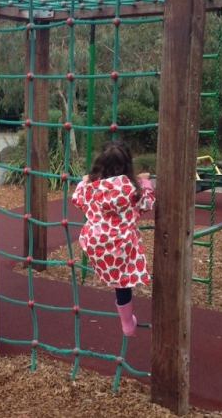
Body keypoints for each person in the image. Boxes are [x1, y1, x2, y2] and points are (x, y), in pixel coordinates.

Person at [71, 140, 155, 336]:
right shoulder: (133, 188)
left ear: (101, 163)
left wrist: (84, 181)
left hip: (95, 243)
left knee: (115, 274)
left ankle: (108, 275)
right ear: (128, 164)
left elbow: (77, 199)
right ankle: (127, 323)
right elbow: (148, 203)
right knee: (123, 280)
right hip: (120, 244)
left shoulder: (91, 187)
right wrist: (146, 182)